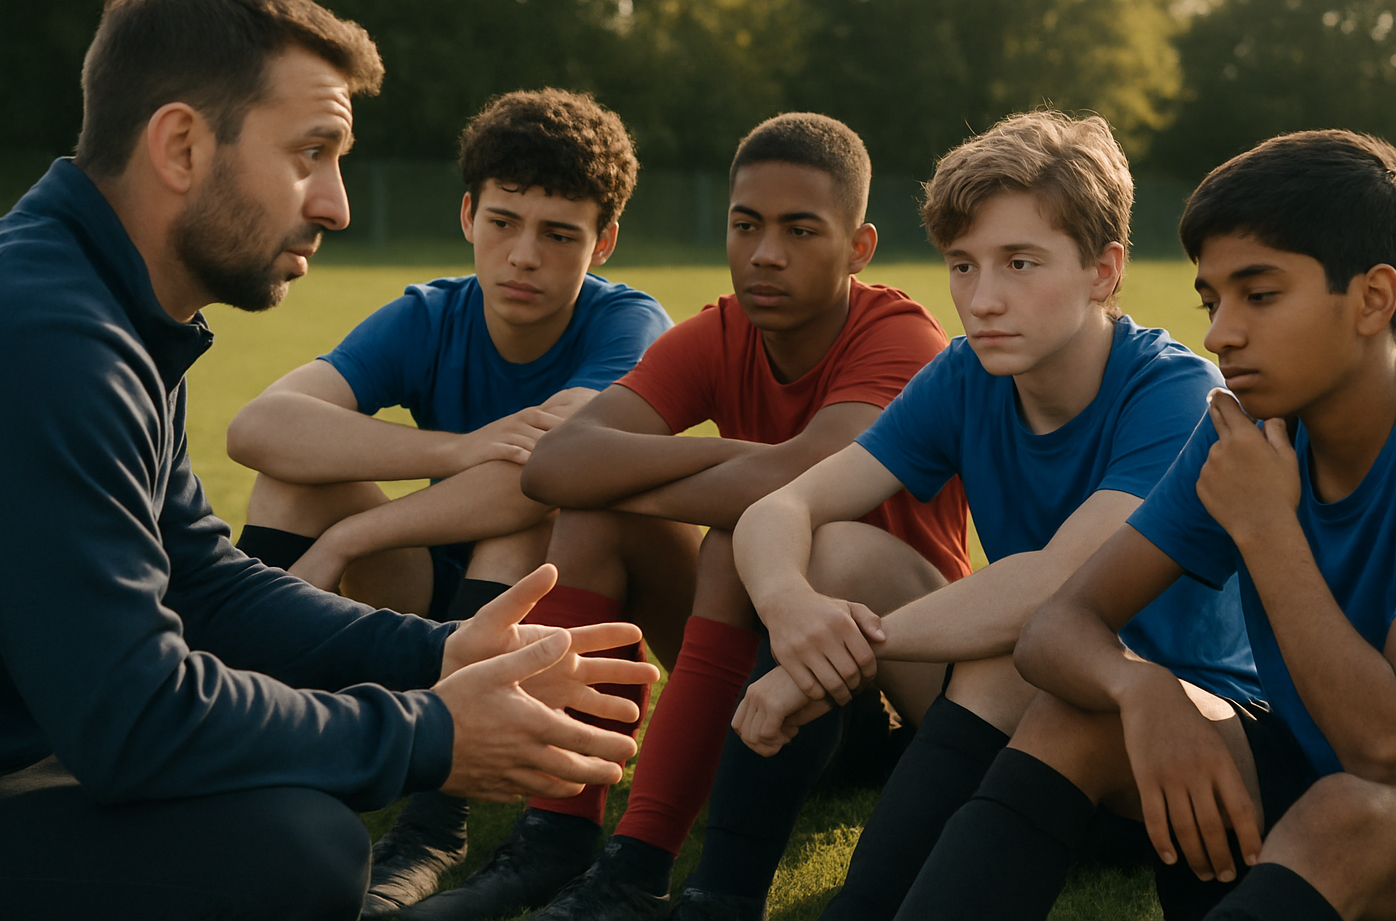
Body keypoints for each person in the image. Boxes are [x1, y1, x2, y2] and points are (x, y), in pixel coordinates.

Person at [0, 0, 657, 921]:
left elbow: (201, 578)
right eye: (310, 154)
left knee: (294, 817)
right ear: (182, 147)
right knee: (297, 853)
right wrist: (431, 734)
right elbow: (135, 718)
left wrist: (437, 654)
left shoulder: (97, 306)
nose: (336, 203)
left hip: (11, 744)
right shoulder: (44, 336)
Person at [892, 129, 1396, 921]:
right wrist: (1142, 690)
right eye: (1213, 300)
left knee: (1346, 814)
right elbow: (1056, 627)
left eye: (1259, 295)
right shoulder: (1243, 429)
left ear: (1373, 297)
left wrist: (1267, 526)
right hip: (1307, 770)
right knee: (1077, 714)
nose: (1219, 334)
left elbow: (1383, 746)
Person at [400, 112, 971, 921]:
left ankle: (649, 865)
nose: (765, 252)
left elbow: (810, 475)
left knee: (757, 534)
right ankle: (563, 840)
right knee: (597, 523)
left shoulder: (900, 337)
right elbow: (559, 466)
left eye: (800, 230)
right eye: (747, 225)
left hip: (889, 688)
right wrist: (743, 470)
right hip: (762, 671)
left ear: (858, 247)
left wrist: (670, 477)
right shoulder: (720, 330)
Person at [722, 110, 1258, 921]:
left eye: (1019, 263)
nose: (983, 299)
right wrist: (790, 610)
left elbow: (1056, 586)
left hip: (1176, 743)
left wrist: (833, 659)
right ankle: (714, 894)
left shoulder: (1172, 392)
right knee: (834, 549)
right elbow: (782, 505)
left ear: (1103, 271)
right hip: (1030, 709)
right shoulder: (967, 373)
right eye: (963, 266)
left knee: (1014, 652)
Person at [225, 87, 672, 916]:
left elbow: (541, 475)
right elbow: (260, 426)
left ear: (603, 241)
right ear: (468, 215)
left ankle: (435, 824)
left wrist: (355, 534)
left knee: (524, 521)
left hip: (555, 617)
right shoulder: (430, 314)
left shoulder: (628, 327)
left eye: (559, 234)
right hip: (433, 598)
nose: (524, 256)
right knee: (291, 476)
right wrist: (453, 448)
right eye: (503, 222)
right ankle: (253, 747)